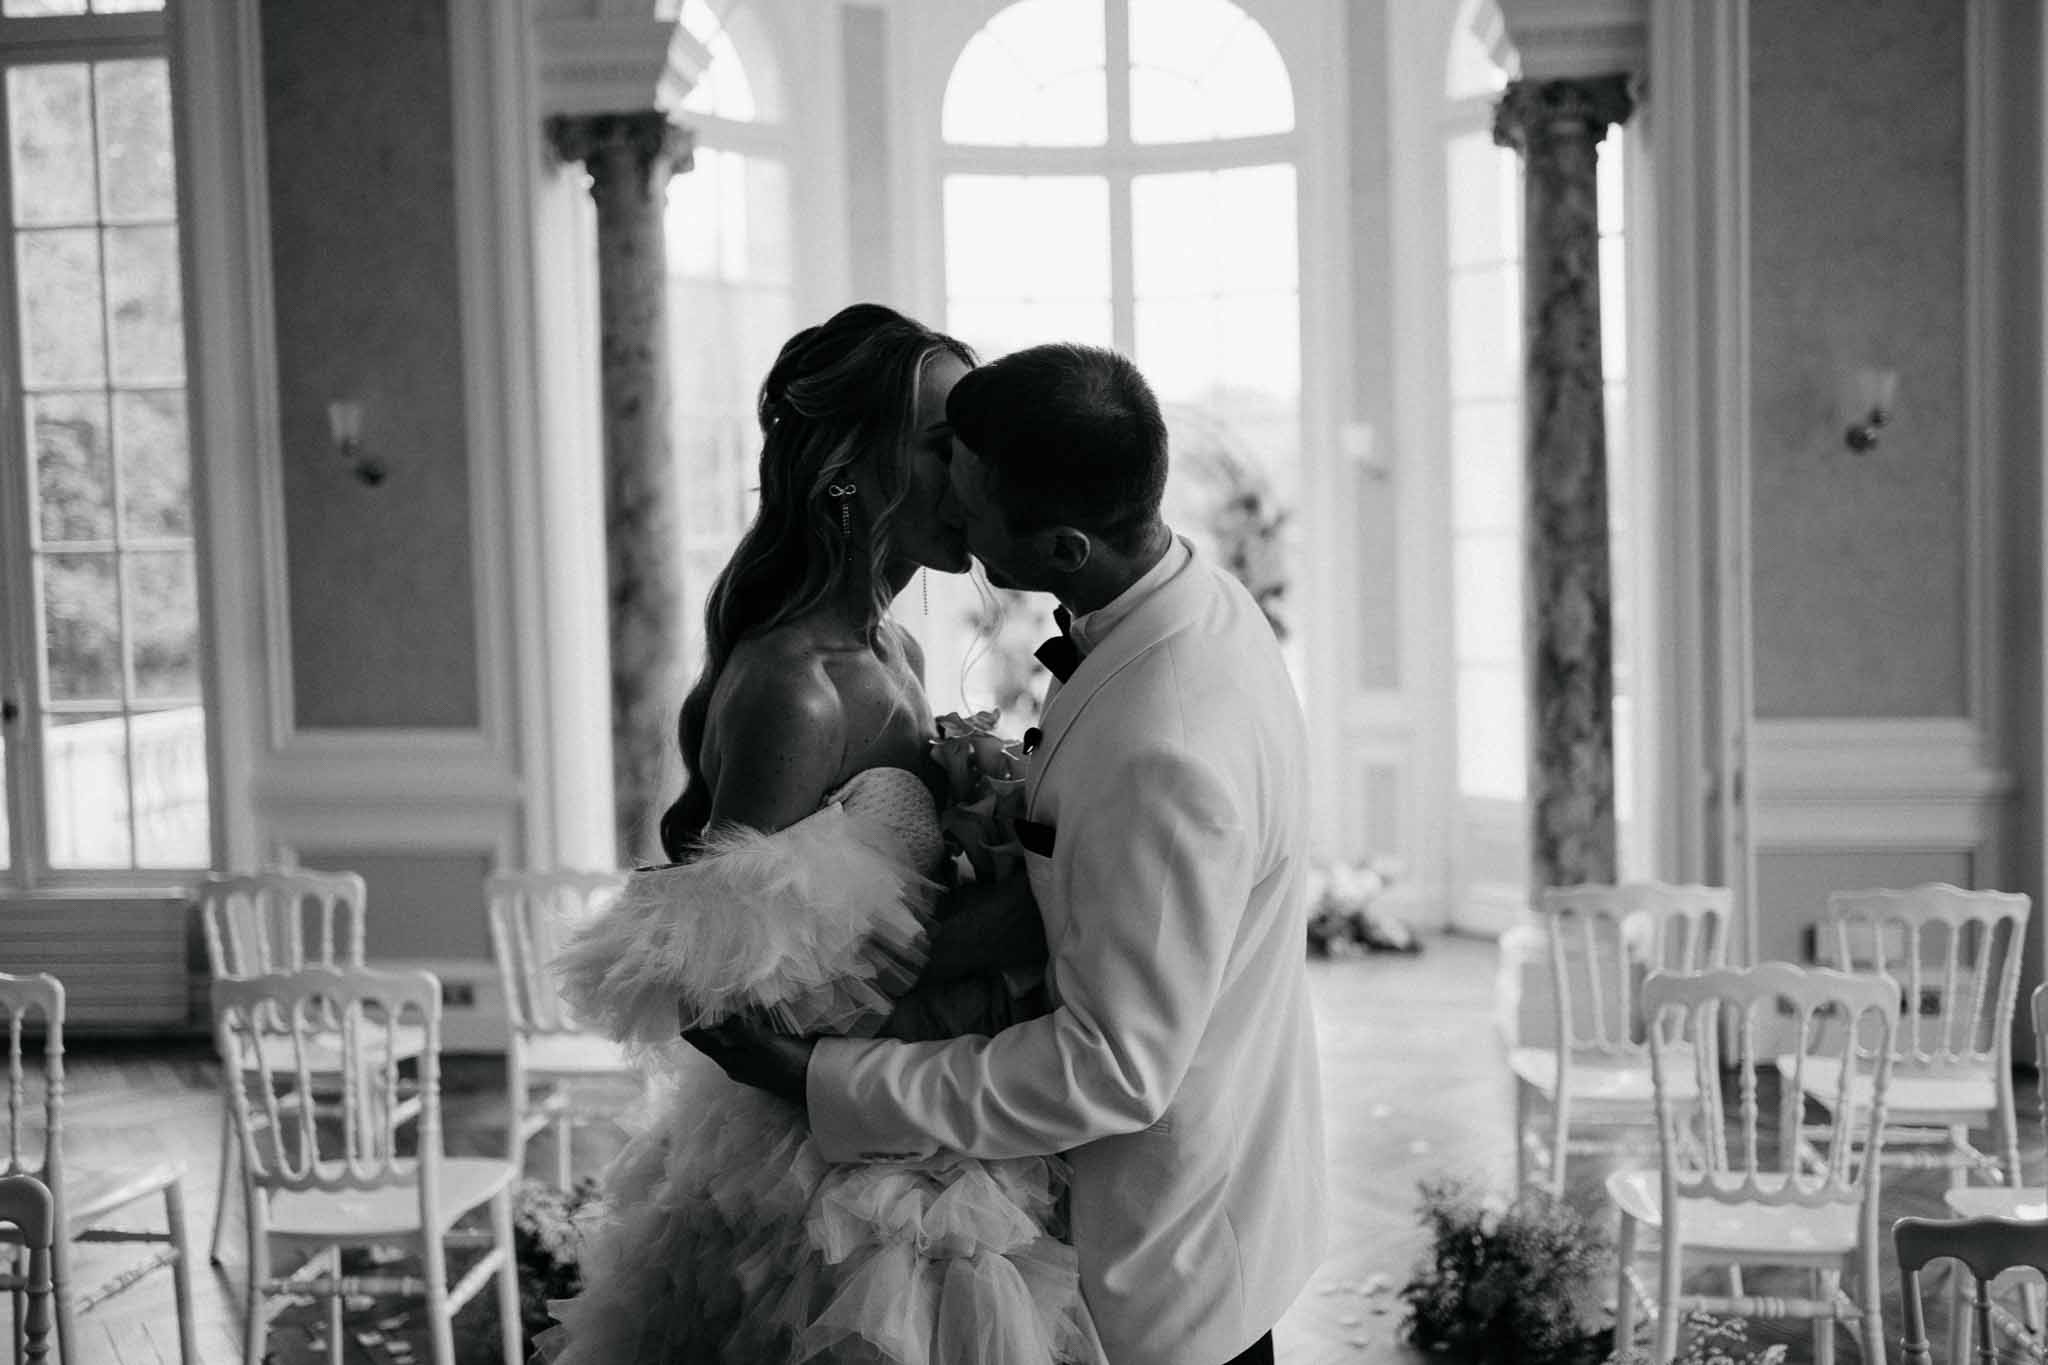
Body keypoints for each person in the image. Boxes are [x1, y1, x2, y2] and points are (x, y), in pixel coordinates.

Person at [688, 343, 1327, 1365]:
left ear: (1065, 548)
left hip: (1163, 1252)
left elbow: (1112, 1069)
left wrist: (828, 1080)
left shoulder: (1164, 745)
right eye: (941, 454)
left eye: (970, 485)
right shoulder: (1191, 600)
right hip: (1072, 1199)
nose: (955, 503)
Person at [544, 304, 1097, 1365]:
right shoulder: (795, 689)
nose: (975, 475)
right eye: (942, 445)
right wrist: (995, 932)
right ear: (847, 472)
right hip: (827, 1194)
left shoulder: (895, 650)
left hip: (913, 1114)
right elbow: (717, 1000)